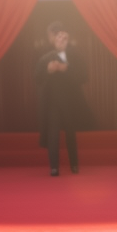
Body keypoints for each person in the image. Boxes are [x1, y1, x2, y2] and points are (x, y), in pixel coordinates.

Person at [35, 22, 93, 176]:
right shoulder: (45, 57)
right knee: (53, 135)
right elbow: (37, 79)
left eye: (63, 37)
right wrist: (49, 70)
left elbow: (83, 76)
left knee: (71, 133)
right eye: (57, 37)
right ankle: (54, 168)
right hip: (52, 103)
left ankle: (74, 165)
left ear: (66, 38)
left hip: (70, 102)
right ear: (52, 39)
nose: (60, 40)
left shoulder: (75, 55)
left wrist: (66, 68)